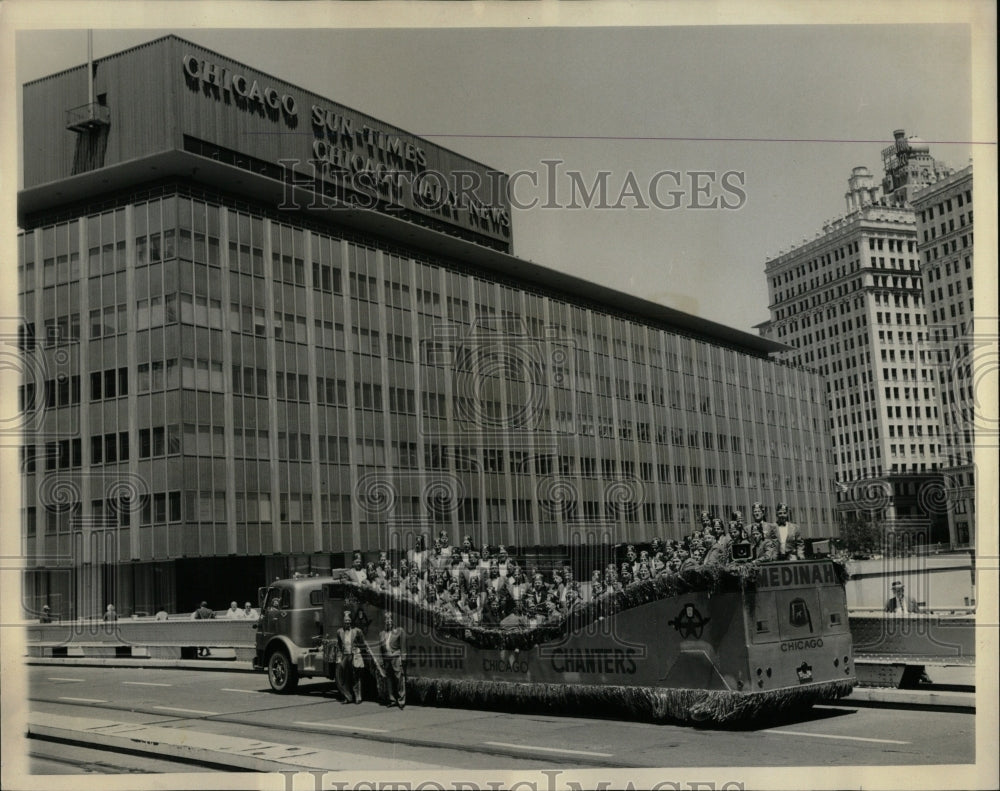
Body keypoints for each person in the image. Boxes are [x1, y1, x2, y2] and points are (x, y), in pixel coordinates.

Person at [335, 611, 366, 703]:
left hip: (354, 656)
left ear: (351, 621)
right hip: (345, 656)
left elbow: (362, 643)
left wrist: (359, 650)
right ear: (343, 622)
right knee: (345, 677)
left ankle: (358, 697)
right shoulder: (339, 632)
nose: (347, 622)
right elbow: (339, 645)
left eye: (349, 621)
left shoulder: (357, 631)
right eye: (346, 621)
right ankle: (347, 697)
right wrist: (339, 656)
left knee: (355, 676)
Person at [377, 612, 407, 709]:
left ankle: (401, 701)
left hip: (396, 658)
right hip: (386, 659)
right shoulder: (381, 634)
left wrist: (403, 659)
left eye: (390, 620)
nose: (388, 622)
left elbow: (403, 646)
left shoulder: (399, 631)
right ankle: (392, 700)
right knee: (388, 680)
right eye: (386, 621)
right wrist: (381, 661)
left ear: (393, 622)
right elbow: (381, 649)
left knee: (399, 680)